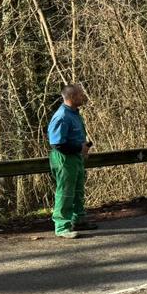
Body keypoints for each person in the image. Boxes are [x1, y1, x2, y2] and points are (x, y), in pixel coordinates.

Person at [47, 83, 94, 239]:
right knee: (66, 192)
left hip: (75, 158)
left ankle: (78, 220)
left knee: (78, 190)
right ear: (72, 97)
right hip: (64, 159)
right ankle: (62, 226)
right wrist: (78, 148)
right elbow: (57, 143)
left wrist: (83, 149)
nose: (83, 97)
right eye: (80, 95)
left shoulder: (74, 113)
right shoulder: (61, 117)